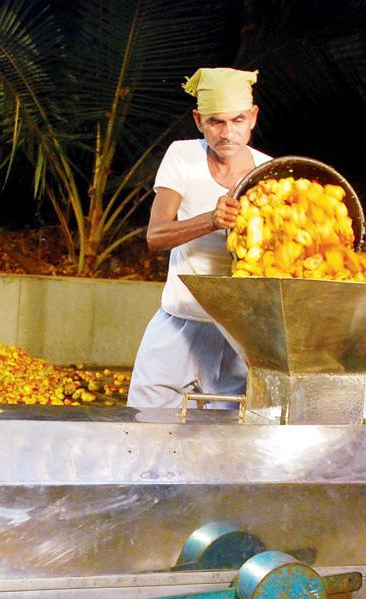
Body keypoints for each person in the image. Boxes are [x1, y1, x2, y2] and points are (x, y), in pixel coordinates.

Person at [126, 67, 272, 408]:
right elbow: (156, 235)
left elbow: (286, 249)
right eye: (215, 122)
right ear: (198, 120)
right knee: (147, 421)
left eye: (237, 120)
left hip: (240, 331)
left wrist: (348, 238)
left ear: (252, 117)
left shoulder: (269, 171)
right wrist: (211, 220)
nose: (227, 133)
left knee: (230, 434)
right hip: (182, 316)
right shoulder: (183, 156)